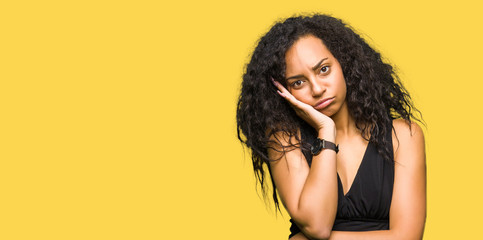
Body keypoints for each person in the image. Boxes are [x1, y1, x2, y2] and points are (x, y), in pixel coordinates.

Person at [236, 14, 426, 240]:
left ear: (343, 62)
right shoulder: (284, 140)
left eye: (323, 69)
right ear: (284, 92)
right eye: (298, 82)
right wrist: (326, 130)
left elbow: (407, 237)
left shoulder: (403, 135)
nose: (316, 89)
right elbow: (317, 227)